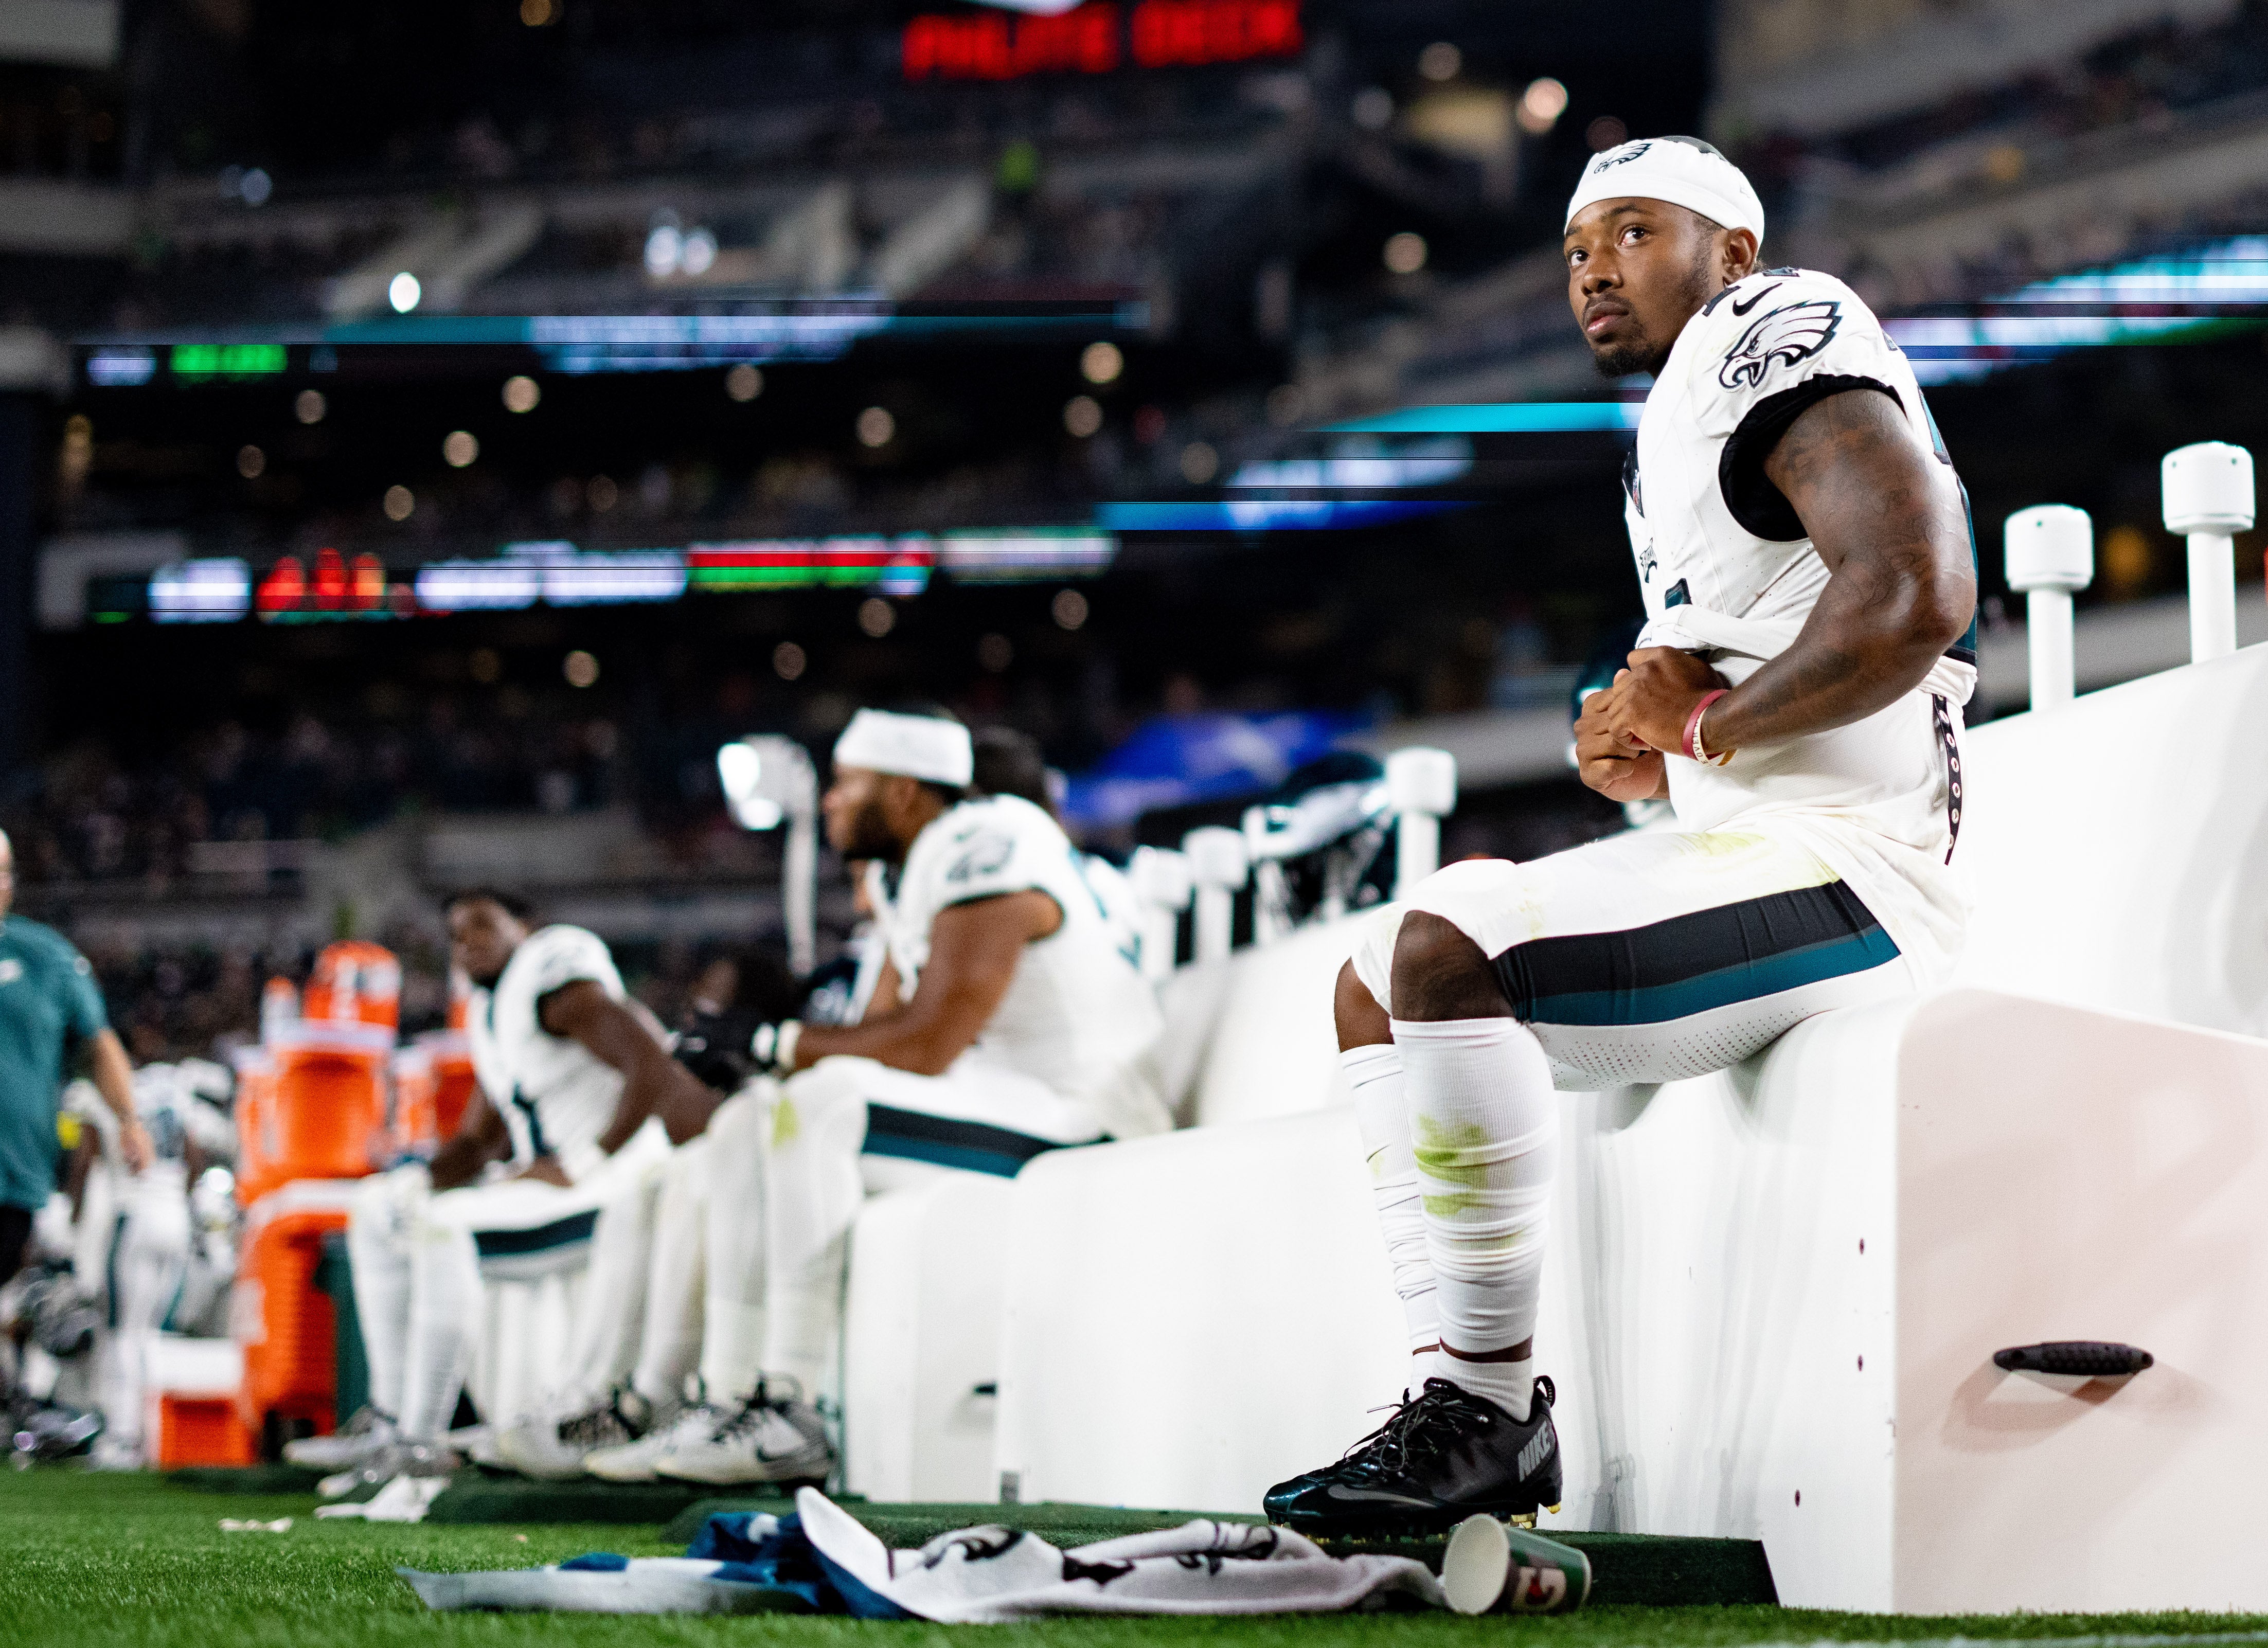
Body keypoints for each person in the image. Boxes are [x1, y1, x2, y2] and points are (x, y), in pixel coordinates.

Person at [1263, 136, 1977, 1534]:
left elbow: (1913, 593)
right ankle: (1448, 1395)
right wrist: (1652, 755)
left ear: (1732, 253)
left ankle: (1487, 1414)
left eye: (1635, 232)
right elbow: (1749, 672)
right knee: (1371, 976)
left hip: (1859, 871)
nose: (1594, 268)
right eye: (1577, 249)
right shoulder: (1681, 419)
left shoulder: (1771, 326)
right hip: (1767, 847)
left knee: (1447, 946)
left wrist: (1702, 721)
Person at [585, 707, 1166, 1486]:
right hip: (1005, 1100)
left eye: (845, 784)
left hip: (1085, 1120)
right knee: (749, 1117)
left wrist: (773, 1041)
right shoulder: (910, 868)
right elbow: (878, 1032)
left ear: (901, 792)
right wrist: (764, 1058)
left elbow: (926, 1045)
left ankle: (793, 1406)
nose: (829, 802)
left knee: (821, 1106)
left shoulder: (987, 839)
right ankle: (727, 1397)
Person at [288, 890, 717, 1515]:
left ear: (525, 928)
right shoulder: (497, 1010)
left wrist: (586, 1161)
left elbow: (652, 1064)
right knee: (378, 1209)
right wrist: (421, 1179)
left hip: (610, 1190)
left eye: (484, 927)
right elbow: (479, 1139)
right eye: (457, 935)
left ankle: (419, 1442)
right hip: (552, 1187)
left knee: (443, 1231)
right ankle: (387, 1418)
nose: (468, 945)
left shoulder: (557, 987)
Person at [0, 828, 150, 1353]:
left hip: (15, 1178)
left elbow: (98, 1044)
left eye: (4, 872)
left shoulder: (44, 957)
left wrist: (128, 1120)